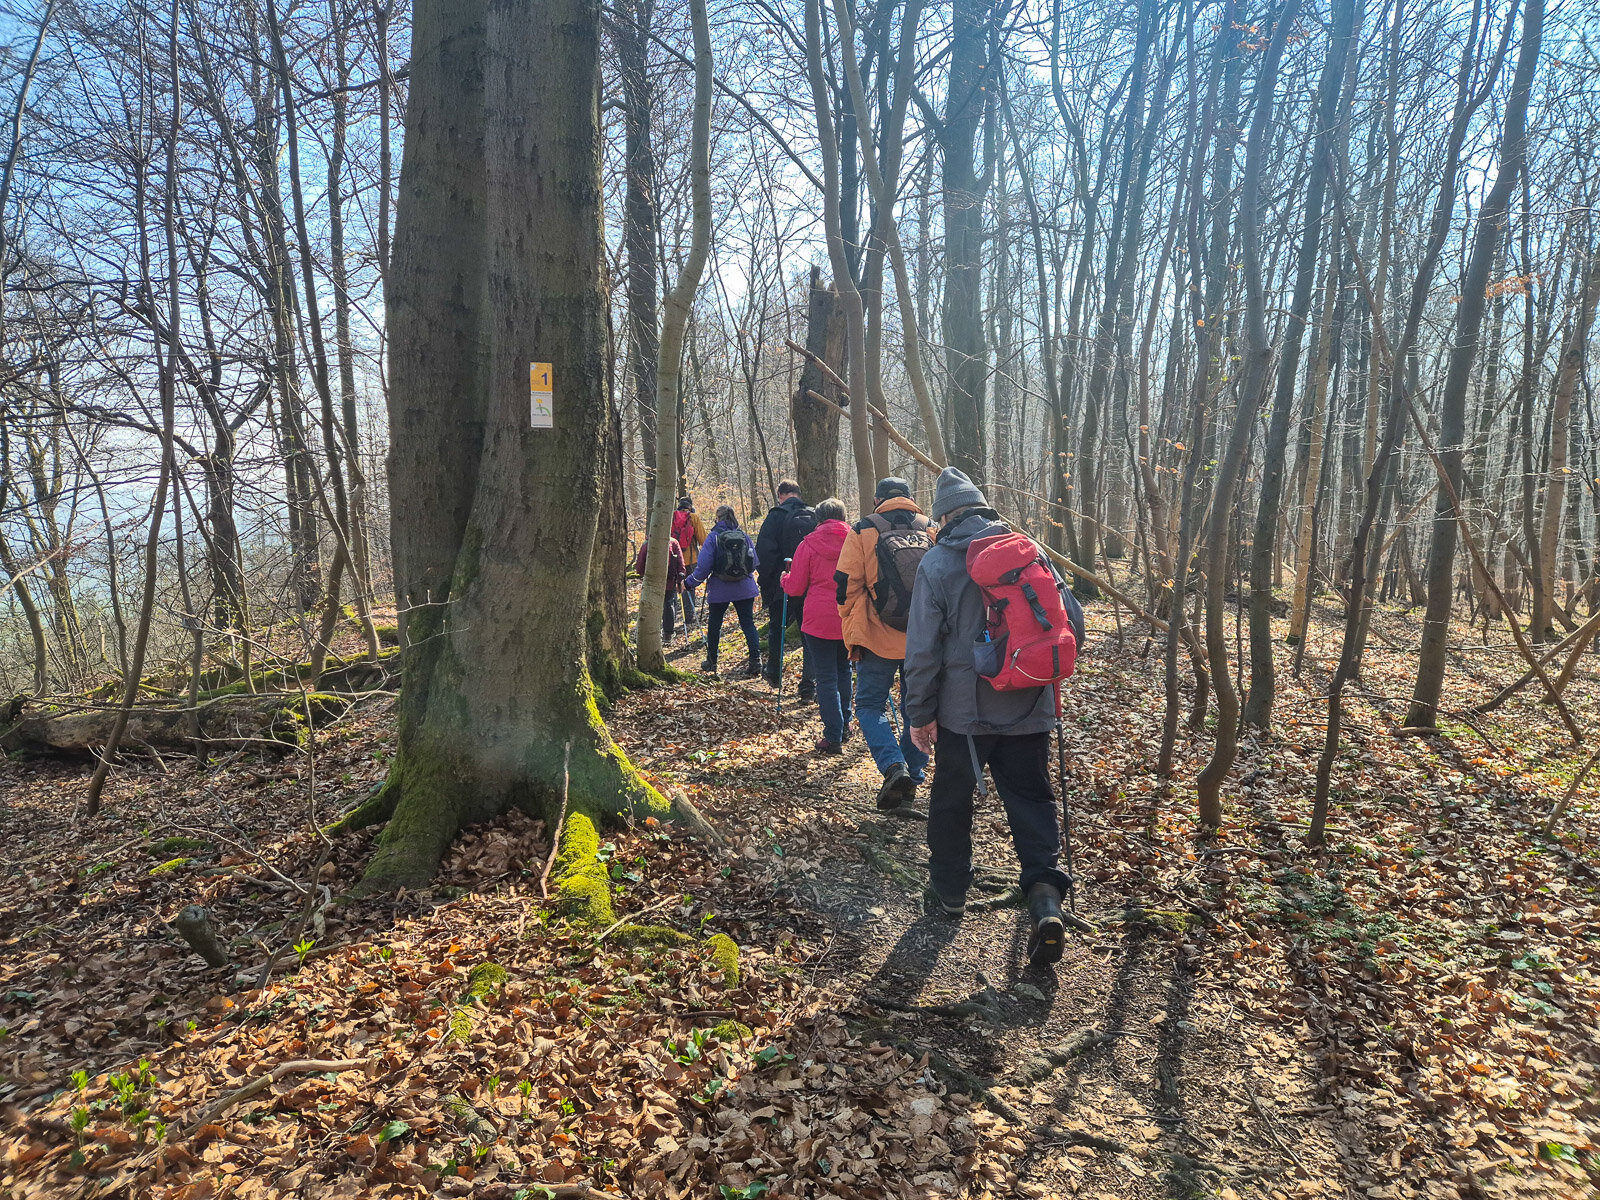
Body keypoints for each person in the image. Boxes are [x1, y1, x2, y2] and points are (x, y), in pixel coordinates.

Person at [904, 467, 1079, 966]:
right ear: (984, 508)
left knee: (952, 800)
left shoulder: (937, 564)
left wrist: (919, 713)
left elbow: (921, 651)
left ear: (943, 517)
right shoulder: (1030, 551)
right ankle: (1045, 897)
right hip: (1032, 704)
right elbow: (1074, 626)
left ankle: (950, 891)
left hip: (966, 715)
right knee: (1030, 798)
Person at [836, 477, 932, 808]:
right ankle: (911, 777)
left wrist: (850, 621)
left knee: (868, 705)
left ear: (877, 499)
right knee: (916, 710)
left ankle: (894, 767)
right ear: (909, 498)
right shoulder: (930, 527)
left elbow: (846, 584)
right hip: (923, 639)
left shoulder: (863, 529)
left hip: (877, 636)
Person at [782, 498, 853, 752]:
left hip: (818, 620)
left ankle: (833, 736)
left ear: (819, 518)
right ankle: (845, 726)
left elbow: (797, 587)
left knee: (826, 677)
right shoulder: (857, 541)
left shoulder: (808, 544)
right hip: (849, 616)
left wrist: (785, 579)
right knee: (845, 671)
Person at [683, 504, 762, 678]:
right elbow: (754, 562)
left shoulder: (713, 538)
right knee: (748, 623)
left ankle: (712, 661)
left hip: (720, 590)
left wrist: (688, 583)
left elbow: (702, 569)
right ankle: (756, 660)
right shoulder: (744, 536)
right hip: (745, 588)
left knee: (715, 625)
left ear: (717, 519)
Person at [756, 480, 816, 699]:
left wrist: (767, 582)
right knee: (808, 633)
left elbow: (764, 552)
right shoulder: (814, 514)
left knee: (777, 627)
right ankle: (809, 684)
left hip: (782, 583)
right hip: (811, 586)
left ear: (780, 494)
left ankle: (774, 672)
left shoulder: (775, 516)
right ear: (798, 494)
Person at [633, 536, 686, 643]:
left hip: (651, 582)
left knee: (650, 606)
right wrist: (680, 578)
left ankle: (649, 634)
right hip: (669, 581)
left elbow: (639, 568)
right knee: (668, 604)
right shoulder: (673, 542)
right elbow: (681, 563)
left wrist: (643, 575)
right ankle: (668, 634)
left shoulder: (646, 544)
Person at [672, 495, 703, 629]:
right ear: (690, 506)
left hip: (673, 559)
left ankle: (670, 619)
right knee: (689, 587)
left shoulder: (671, 517)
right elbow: (703, 539)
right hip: (691, 559)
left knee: (672, 587)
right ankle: (689, 617)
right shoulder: (693, 518)